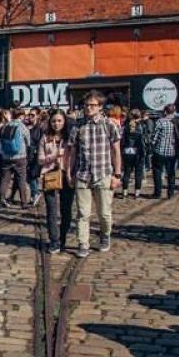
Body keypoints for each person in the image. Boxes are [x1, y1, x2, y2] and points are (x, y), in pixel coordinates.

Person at [65, 92, 122, 257]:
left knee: (104, 213)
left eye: (92, 105)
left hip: (103, 174)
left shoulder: (109, 125)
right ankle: (83, 243)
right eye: (86, 105)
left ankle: (105, 235)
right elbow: (72, 152)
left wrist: (117, 175)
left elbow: (116, 151)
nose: (89, 108)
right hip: (83, 175)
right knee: (83, 213)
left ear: (100, 107)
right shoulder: (78, 126)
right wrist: (69, 173)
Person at [39, 110, 71, 254]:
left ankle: (62, 238)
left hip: (66, 174)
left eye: (59, 120)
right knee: (51, 210)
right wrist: (54, 155)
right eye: (53, 121)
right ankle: (54, 241)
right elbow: (40, 159)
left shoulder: (70, 137)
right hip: (49, 173)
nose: (56, 124)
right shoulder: (45, 138)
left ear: (64, 121)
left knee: (66, 210)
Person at [0, 109, 31, 209]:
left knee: (4, 180)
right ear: (21, 116)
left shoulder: (5, 125)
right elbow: (28, 141)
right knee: (21, 180)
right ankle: (23, 202)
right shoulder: (22, 126)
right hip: (20, 157)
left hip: (6, 156)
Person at [151, 103, 179, 199]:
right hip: (172, 151)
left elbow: (155, 137)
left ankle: (158, 193)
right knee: (171, 173)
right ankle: (171, 192)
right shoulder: (177, 122)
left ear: (165, 111)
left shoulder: (160, 121)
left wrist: (152, 145)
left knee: (157, 171)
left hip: (160, 151)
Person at [120, 110, 147, 198]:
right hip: (138, 151)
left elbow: (122, 138)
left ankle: (124, 192)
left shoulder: (126, 126)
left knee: (127, 172)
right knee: (138, 173)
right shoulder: (142, 126)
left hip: (127, 150)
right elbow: (145, 139)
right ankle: (137, 193)